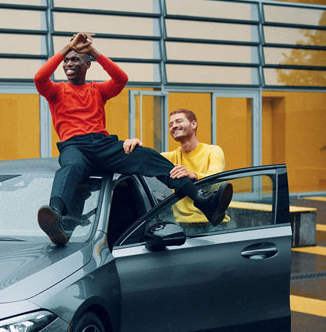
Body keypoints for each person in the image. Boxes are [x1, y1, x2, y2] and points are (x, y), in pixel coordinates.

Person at [34, 33, 232, 246]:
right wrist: (67, 47)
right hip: (74, 146)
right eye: (66, 61)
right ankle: (56, 217)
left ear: (87, 64)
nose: (68, 64)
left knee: (146, 155)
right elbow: (39, 78)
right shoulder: (56, 91)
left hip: (103, 145)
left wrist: (92, 51)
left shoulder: (97, 89)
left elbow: (121, 79)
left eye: (75, 59)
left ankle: (201, 199)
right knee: (71, 166)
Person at [123, 108, 227, 332]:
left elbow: (216, 179)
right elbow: (147, 160)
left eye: (179, 121)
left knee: (204, 297)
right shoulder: (172, 157)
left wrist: (191, 174)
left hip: (211, 229)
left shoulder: (212, 151)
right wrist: (133, 145)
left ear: (194, 124)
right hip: (183, 232)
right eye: (170, 124)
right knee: (190, 297)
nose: (173, 126)